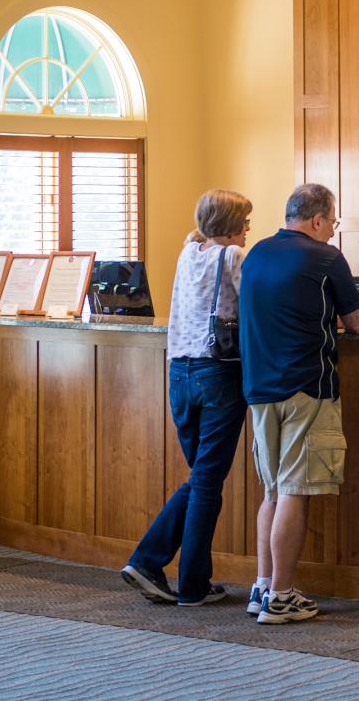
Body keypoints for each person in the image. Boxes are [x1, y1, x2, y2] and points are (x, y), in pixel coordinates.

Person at [239, 183, 359, 624]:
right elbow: (358, 324)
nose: (332, 231)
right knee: (296, 490)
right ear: (317, 220)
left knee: (273, 490)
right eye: (332, 222)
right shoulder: (325, 257)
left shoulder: (256, 253)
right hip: (306, 387)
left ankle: (261, 586)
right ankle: (282, 596)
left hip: (259, 389)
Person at [121, 189, 252, 606]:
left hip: (179, 373)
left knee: (201, 478)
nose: (249, 227)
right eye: (245, 221)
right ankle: (187, 583)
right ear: (231, 225)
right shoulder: (233, 258)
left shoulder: (188, 253)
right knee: (207, 482)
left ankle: (151, 563)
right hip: (219, 372)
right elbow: (254, 306)